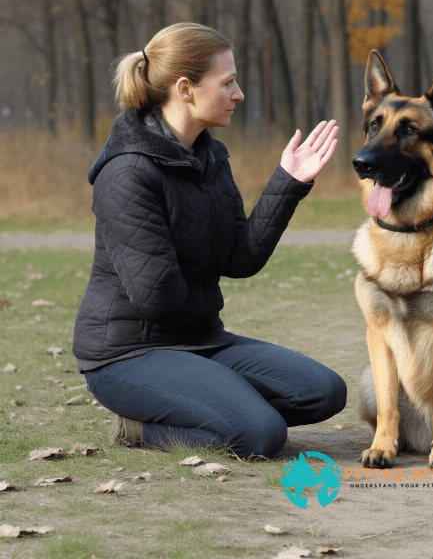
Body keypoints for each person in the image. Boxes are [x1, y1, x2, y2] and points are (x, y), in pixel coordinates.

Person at [73, 23, 346, 459]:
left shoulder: (209, 157)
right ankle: (138, 428)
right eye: (228, 82)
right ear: (185, 89)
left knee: (323, 391)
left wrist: (289, 182)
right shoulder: (127, 173)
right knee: (261, 436)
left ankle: (220, 402)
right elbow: (156, 297)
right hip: (128, 354)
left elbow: (241, 258)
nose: (238, 94)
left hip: (202, 340)